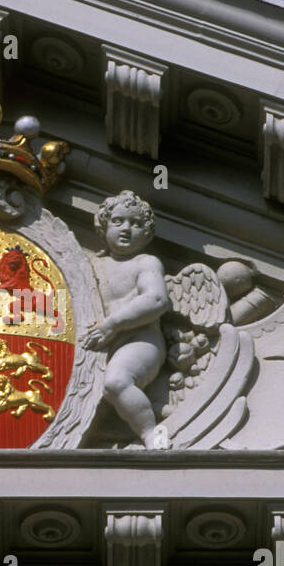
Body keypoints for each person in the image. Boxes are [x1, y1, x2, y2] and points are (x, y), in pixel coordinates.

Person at [82, 190, 171, 448]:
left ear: (147, 233)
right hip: (95, 344)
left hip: (138, 340)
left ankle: (149, 432)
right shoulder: (89, 265)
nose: (126, 229)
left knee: (116, 381)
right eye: (118, 221)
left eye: (136, 224)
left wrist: (112, 325)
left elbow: (156, 300)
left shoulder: (145, 263)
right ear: (103, 226)